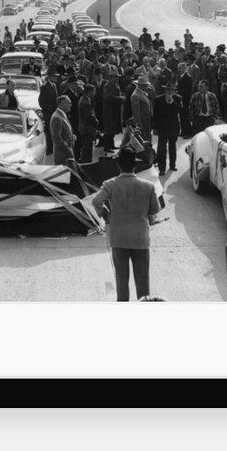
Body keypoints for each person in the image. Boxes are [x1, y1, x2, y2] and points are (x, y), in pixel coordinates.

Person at [91, 148, 161, 302]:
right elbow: (155, 209)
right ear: (135, 166)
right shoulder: (148, 186)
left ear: (118, 165)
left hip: (119, 238)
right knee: (143, 285)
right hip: (140, 239)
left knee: (122, 284)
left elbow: (96, 201)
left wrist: (105, 214)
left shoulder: (110, 184)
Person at [153, 82, 182, 175]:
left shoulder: (178, 98)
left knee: (172, 146)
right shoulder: (158, 99)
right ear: (165, 91)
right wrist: (155, 127)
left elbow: (180, 110)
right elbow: (155, 115)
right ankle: (162, 168)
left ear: (173, 91)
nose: (169, 92)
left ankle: (172, 165)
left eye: (171, 90)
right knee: (161, 148)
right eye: (167, 90)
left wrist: (172, 102)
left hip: (173, 127)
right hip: (162, 127)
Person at [39, 67, 59, 155]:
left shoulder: (54, 85)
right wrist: (48, 110)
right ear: (50, 77)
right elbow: (41, 102)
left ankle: (52, 148)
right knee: (48, 131)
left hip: (54, 112)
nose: (55, 78)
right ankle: (48, 149)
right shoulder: (44, 87)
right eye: (54, 76)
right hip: (48, 113)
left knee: (53, 131)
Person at [50, 94, 75, 164]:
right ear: (62, 104)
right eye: (68, 103)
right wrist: (67, 147)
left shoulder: (61, 115)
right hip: (63, 156)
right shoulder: (57, 118)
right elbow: (56, 138)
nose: (71, 105)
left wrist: (71, 136)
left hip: (66, 155)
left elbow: (63, 132)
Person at [77, 84, 99, 163]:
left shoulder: (83, 99)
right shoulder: (86, 102)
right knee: (87, 149)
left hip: (84, 127)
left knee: (86, 147)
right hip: (87, 128)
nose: (94, 93)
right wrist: (96, 121)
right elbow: (89, 116)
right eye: (94, 91)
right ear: (89, 92)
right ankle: (86, 164)